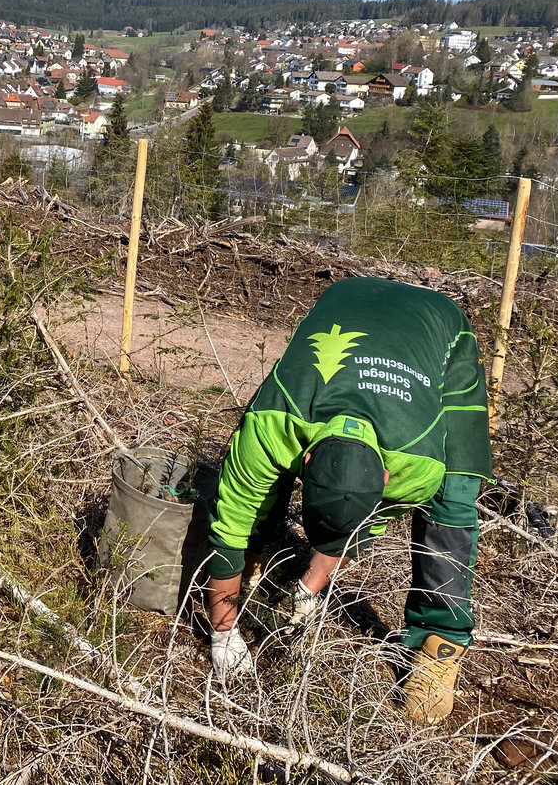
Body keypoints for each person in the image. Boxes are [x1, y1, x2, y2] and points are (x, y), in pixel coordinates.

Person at [202, 277, 492, 724]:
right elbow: (228, 524)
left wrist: (307, 589)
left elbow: (364, 523)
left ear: (387, 477)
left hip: (441, 330)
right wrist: (222, 634)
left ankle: (439, 645)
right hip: (346, 301)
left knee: (452, 499)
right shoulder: (272, 424)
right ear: (308, 457)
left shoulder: (418, 466)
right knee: (252, 496)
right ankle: (256, 556)